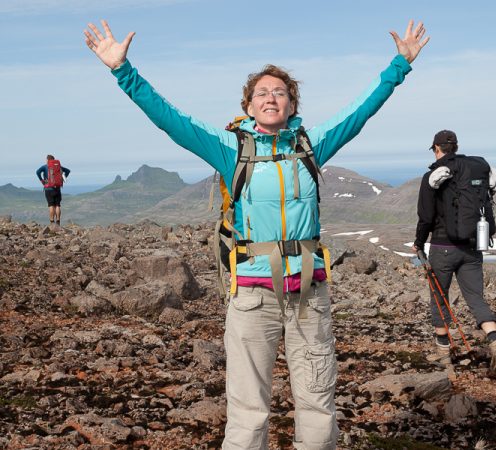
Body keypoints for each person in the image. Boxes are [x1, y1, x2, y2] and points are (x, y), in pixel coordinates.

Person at [84, 19, 429, 449]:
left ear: (291, 104)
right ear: (248, 106)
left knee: (318, 401)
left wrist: (400, 65)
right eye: (262, 93)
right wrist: (123, 71)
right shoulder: (231, 147)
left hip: (309, 292)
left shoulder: (311, 144)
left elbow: (360, 112)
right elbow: (169, 119)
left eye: (280, 92)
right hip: (253, 294)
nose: (271, 97)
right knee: (248, 409)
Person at [412, 130, 496, 378]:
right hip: (472, 246)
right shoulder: (473, 170)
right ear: (455, 147)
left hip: (442, 247)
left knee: (440, 296)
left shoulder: (432, 177)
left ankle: (444, 356)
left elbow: (426, 216)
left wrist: (418, 242)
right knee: (475, 297)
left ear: (437, 148)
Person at [36, 154, 71, 226]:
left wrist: (42, 180)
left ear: (47, 160)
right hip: (57, 189)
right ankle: (58, 221)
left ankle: (52, 222)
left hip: (48, 189)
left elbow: (37, 172)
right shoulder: (58, 167)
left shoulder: (45, 166)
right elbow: (68, 171)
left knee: (51, 205)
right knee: (58, 205)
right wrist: (63, 179)